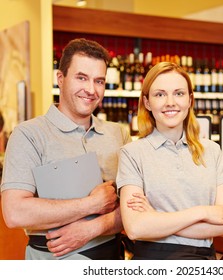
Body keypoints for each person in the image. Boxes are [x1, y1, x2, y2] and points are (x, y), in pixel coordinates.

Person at [0, 38, 131, 260]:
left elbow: (135, 207)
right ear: (60, 78)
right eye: (81, 78)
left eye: (99, 81)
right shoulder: (29, 135)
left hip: (112, 257)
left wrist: (92, 229)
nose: (91, 90)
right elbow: (14, 213)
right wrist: (92, 204)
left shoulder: (119, 134)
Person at [116, 61, 223, 260]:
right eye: (160, 94)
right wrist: (203, 212)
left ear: (190, 100)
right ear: (147, 102)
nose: (170, 102)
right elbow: (136, 228)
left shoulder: (212, 151)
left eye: (179, 93)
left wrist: (156, 219)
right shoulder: (132, 153)